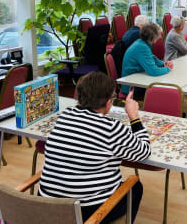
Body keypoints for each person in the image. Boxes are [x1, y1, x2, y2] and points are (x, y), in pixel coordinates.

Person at [38, 72, 151, 223]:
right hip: (84, 211)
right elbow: (144, 151)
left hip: (45, 206)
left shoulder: (65, 115)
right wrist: (134, 116)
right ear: (108, 103)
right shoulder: (110, 128)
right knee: (136, 187)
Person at [121, 23, 173, 94]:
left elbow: (152, 58)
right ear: (153, 39)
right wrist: (167, 69)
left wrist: (163, 64)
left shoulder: (140, 42)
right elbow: (153, 71)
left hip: (134, 80)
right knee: (161, 90)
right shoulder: (142, 48)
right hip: (131, 86)